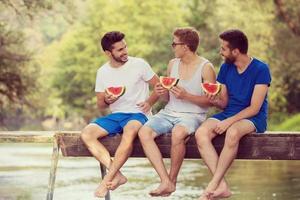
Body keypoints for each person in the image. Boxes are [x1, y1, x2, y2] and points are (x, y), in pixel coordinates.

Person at [138, 27, 216, 197]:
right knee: (144, 132)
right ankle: (164, 180)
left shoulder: (206, 67)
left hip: (194, 116)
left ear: (185, 46)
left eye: (174, 44)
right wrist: (161, 91)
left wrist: (187, 95)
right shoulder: (172, 64)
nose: (172, 46)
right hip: (168, 113)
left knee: (178, 132)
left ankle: (172, 181)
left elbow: (211, 101)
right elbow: (167, 98)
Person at [80, 31, 159, 198]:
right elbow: (101, 105)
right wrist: (108, 100)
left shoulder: (139, 64)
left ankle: (106, 181)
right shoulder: (102, 72)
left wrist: (150, 102)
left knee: (129, 131)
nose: (125, 52)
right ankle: (118, 176)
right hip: (116, 116)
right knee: (87, 134)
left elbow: (160, 86)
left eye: (125, 47)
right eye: (120, 50)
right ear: (108, 53)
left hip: (138, 113)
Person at [195, 29, 272, 200]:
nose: (220, 52)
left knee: (233, 133)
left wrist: (229, 122)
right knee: (201, 133)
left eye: (223, 49)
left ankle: (212, 185)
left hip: (253, 118)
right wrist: (214, 100)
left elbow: (254, 108)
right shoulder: (225, 68)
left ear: (235, 51)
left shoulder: (261, 69)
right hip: (229, 114)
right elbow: (224, 103)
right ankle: (222, 185)